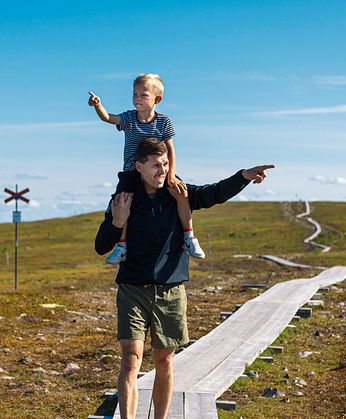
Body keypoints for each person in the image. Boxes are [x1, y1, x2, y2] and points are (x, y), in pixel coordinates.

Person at [94, 138, 275, 419]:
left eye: (165, 164)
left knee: (164, 360)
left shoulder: (177, 193)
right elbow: (100, 245)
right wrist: (116, 223)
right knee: (131, 361)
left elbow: (213, 193)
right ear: (139, 166)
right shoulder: (124, 199)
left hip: (170, 290)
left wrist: (244, 177)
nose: (162, 170)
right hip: (132, 289)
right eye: (155, 165)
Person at [88, 73, 205, 265]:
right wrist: (98, 105)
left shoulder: (163, 121)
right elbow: (108, 118)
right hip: (131, 171)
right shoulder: (128, 118)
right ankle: (122, 245)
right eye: (135, 94)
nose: (137, 99)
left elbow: (171, 150)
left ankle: (189, 237)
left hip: (158, 170)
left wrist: (172, 175)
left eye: (143, 95)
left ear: (157, 99)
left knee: (181, 194)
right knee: (123, 200)